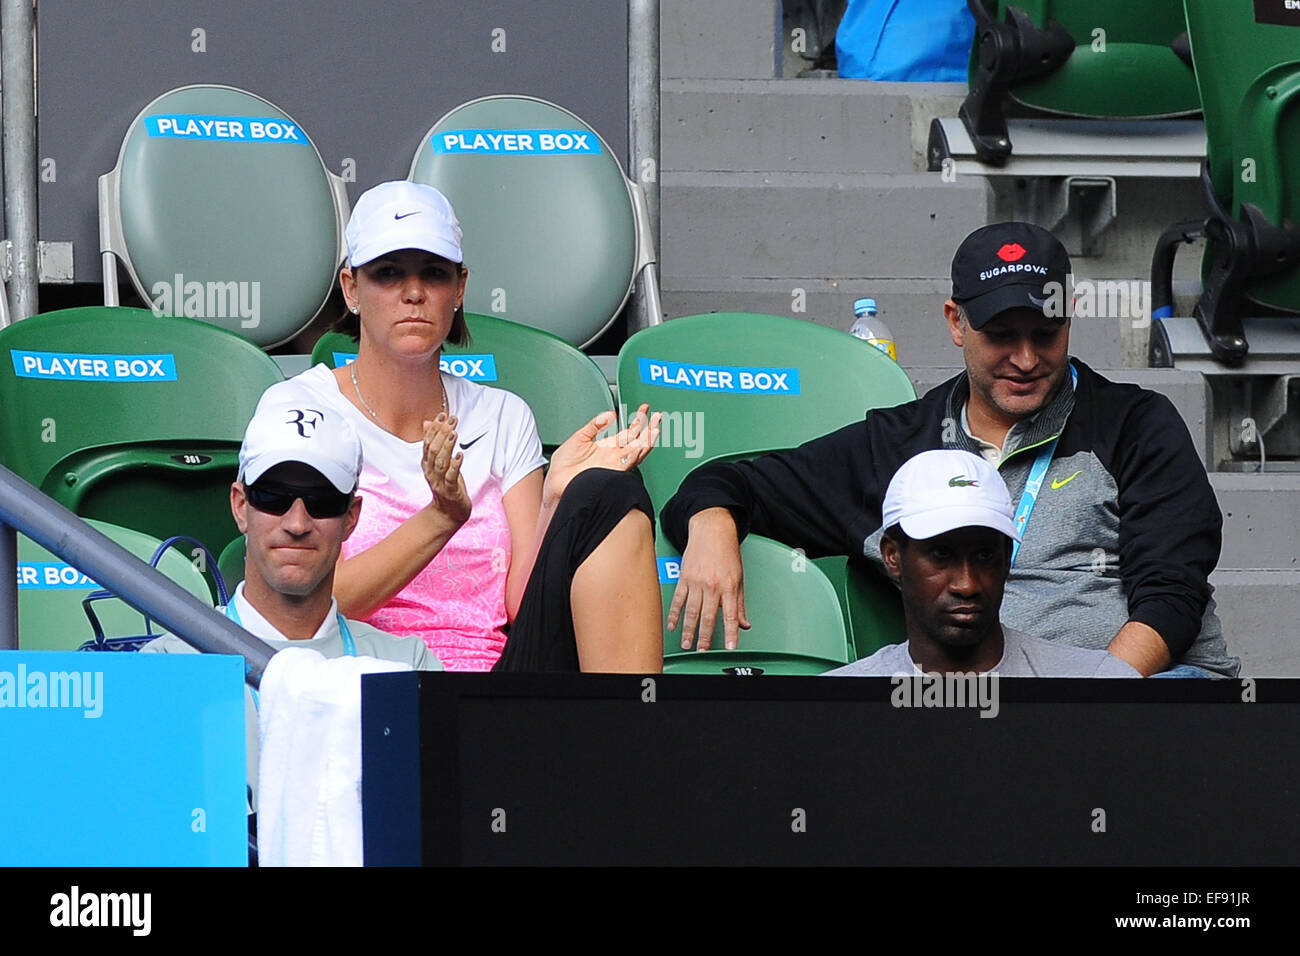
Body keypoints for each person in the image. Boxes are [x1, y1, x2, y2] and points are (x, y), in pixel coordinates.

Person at [663, 221, 1238, 678]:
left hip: (1142, 687)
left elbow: (1173, 594)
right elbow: (735, 482)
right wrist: (712, 526)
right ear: (955, 323)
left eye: (1044, 333)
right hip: (978, 703)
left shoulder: (1136, 424)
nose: (1026, 359)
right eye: (1001, 335)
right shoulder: (899, 448)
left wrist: (1085, 709)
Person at [257, 180, 663, 673]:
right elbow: (304, 600)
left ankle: (636, 739)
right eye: (388, 274)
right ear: (351, 289)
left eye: (433, 274)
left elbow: (520, 605)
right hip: (363, 681)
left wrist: (558, 496)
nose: (413, 293)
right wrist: (441, 516)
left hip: (492, 689)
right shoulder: (302, 408)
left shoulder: (504, 415)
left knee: (606, 492)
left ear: (459, 288)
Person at [143, 398, 441, 805]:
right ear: (240, 506)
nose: (297, 523)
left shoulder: (407, 665)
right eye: (273, 497)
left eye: (321, 501)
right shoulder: (169, 664)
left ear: (351, 516)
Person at [824, 450, 1138, 677]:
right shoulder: (842, 705)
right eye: (941, 555)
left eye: (985, 555)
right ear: (893, 556)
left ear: (1006, 558)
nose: (967, 584)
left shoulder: (1096, 684)